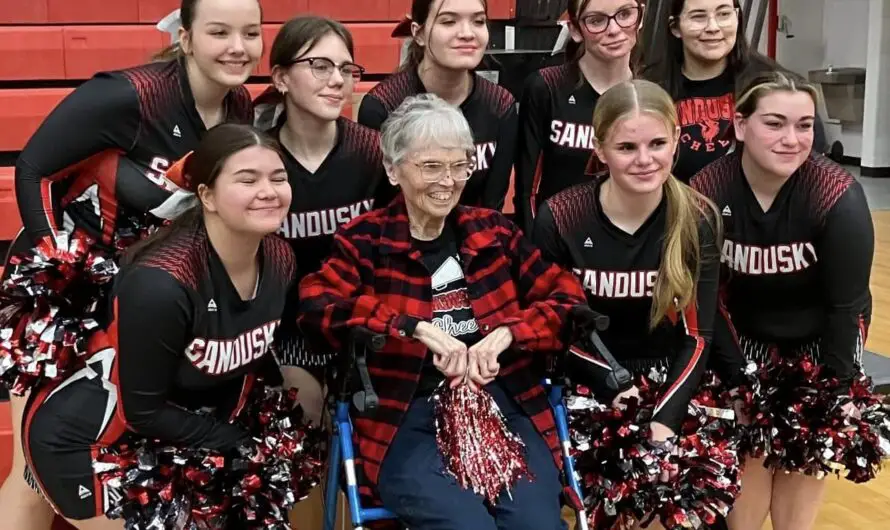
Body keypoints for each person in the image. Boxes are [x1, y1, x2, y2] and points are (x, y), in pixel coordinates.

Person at [0, 1, 261, 528]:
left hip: (135, 288)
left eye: (250, 33)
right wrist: (64, 270)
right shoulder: (128, 95)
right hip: (61, 293)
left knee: (117, 452)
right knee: (31, 470)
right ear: (185, 37)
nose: (238, 46)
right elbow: (32, 171)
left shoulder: (239, 106)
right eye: (219, 32)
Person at [297, 94, 587, 530]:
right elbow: (317, 303)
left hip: (502, 404)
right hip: (405, 413)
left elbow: (567, 298)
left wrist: (510, 333)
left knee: (536, 523)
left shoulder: (494, 232)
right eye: (431, 166)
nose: (448, 181)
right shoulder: (365, 241)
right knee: (464, 525)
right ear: (394, 171)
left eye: (459, 166)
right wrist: (409, 327)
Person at [22, 124, 294, 530]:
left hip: (176, 434)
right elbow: (143, 411)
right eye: (247, 179)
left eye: (279, 177)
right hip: (90, 439)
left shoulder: (279, 257)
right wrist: (234, 442)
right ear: (207, 196)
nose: (269, 191)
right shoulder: (161, 283)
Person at [533, 79, 740, 529]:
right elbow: (555, 326)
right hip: (587, 381)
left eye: (657, 144)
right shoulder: (561, 217)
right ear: (600, 149)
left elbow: (697, 336)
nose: (645, 160)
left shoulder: (698, 217)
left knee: (688, 506)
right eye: (626, 147)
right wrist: (613, 387)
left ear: (677, 141)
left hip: (673, 377)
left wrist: (664, 420)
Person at [691, 71, 876, 530]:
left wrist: (834, 391)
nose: (792, 139)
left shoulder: (837, 196)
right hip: (744, 334)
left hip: (821, 337)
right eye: (774, 124)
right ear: (739, 126)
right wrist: (737, 379)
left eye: (804, 125)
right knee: (749, 459)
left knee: (801, 455)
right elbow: (705, 299)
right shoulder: (707, 190)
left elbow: (844, 307)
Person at [253, 15, 388, 421]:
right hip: (285, 330)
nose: (337, 80)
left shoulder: (372, 151)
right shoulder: (257, 157)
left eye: (346, 69)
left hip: (359, 323)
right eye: (319, 65)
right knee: (305, 416)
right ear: (280, 77)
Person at [640, 0, 826, 183]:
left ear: (737, 18)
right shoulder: (652, 87)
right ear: (675, 27)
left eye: (723, 14)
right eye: (699, 16)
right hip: (677, 209)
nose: (713, 27)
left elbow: (811, 157)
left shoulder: (773, 85)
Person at [357, 0, 517, 210]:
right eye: (449, 21)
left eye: (478, 21)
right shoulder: (383, 107)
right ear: (419, 33)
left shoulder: (500, 105)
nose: (467, 33)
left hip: (474, 236)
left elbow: (492, 205)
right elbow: (380, 206)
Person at [514, 0, 641, 232]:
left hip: (626, 247)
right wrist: (533, 255)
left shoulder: (649, 92)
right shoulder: (547, 87)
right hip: (557, 242)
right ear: (575, 30)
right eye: (596, 20)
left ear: (639, 18)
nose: (613, 30)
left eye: (624, 15)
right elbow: (527, 190)